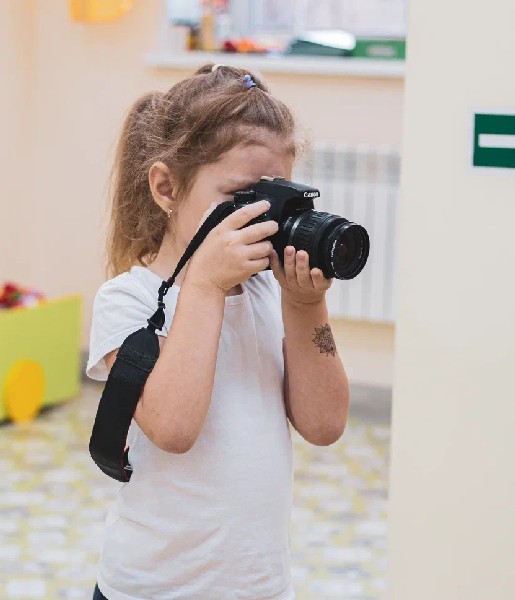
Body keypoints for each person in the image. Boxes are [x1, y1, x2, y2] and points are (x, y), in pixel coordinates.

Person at [86, 63, 349, 600]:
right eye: (241, 197)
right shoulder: (128, 301)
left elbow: (324, 425)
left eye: (277, 198)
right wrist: (204, 284)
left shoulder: (269, 294)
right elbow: (174, 427)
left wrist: (307, 304)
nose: (263, 220)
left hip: (261, 588)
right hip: (151, 590)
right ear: (166, 187)